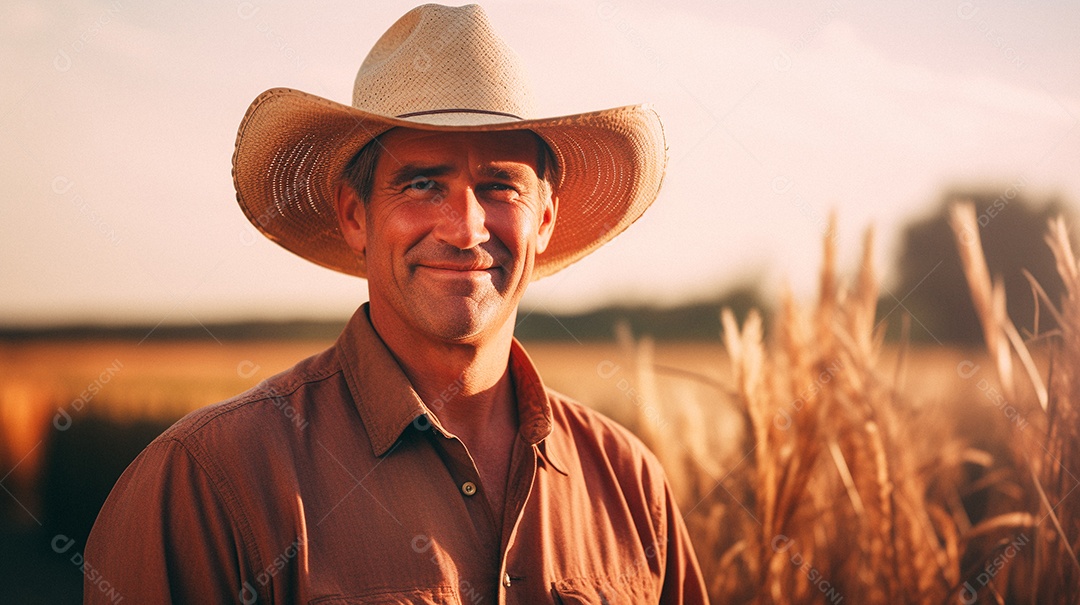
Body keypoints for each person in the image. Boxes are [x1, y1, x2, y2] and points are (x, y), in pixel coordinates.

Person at [85, 4, 709, 603]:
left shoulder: (629, 485)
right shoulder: (210, 482)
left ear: (544, 220)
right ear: (355, 216)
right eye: (423, 184)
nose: (465, 229)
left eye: (500, 186)